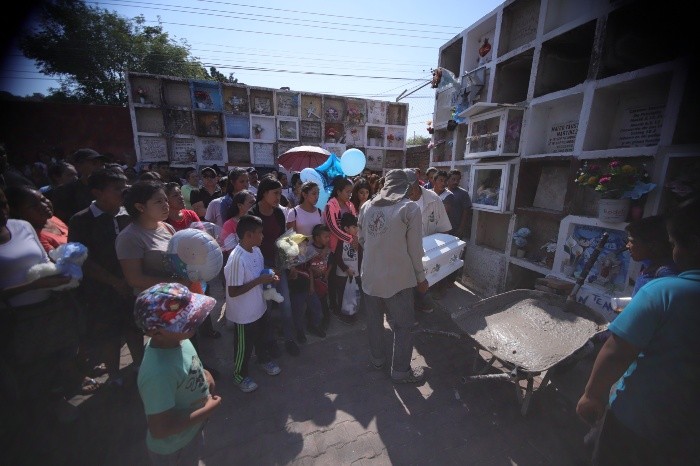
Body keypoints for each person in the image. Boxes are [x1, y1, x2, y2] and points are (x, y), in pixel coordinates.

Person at [576, 196, 700, 465]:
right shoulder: (654, 275)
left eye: (674, 243)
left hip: (640, 417)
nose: (628, 246)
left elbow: (617, 352)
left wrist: (592, 395)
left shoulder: (665, 288)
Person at [68, 168, 143, 388]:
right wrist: (114, 282)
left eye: (125, 186)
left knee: (134, 327)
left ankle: (140, 367)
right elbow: (83, 259)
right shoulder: (81, 220)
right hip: (100, 290)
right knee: (109, 334)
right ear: (97, 193)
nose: (124, 191)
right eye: (117, 189)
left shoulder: (128, 215)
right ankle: (114, 375)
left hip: (131, 284)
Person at [134, 282, 220, 464]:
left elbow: (187, 365)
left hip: (191, 433)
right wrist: (207, 410)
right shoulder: (158, 373)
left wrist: (204, 374)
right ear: (156, 333)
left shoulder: (178, 340)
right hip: (174, 448)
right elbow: (160, 429)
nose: (193, 321)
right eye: (184, 322)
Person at [358, 169, 428, 384]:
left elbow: (362, 239)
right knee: (403, 326)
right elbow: (415, 249)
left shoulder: (367, 206)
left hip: (370, 278)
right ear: (407, 186)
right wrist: (421, 278)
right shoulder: (409, 208)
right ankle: (400, 372)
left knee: (374, 323)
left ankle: (377, 360)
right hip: (398, 280)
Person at [223, 215, 282, 393]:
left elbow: (260, 273)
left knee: (261, 338)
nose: (263, 236)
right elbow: (233, 291)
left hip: (260, 307)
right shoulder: (236, 259)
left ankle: (263, 360)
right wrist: (258, 281)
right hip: (244, 315)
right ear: (248, 235)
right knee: (244, 347)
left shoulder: (256, 250)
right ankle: (240, 375)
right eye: (260, 233)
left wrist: (270, 276)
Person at [249, 177, 300, 356]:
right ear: (264, 193)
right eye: (275, 193)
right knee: (267, 307)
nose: (279, 197)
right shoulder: (253, 214)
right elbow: (251, 245)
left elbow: (284, 239)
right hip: (260, 267)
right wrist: (266, 270)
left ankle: (289, 339)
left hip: (279, 264)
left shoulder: (279, 213)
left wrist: (290, 264)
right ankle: (269, 341)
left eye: (280, 193)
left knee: (285, 304)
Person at [406, 168, 452, 312]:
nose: (407, 193)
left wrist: (437, 254)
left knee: (424, 283)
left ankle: (421, 303)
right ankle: (408, 309)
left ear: (416, 184)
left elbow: (444, 228)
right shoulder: (399, 200)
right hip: (406, 252)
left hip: (427, 253)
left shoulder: (434, 199)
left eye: (409, 189)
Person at [288, 223, 331, 337]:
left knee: (317, 308)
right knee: (298, 312)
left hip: (308, 289)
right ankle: (299, 332)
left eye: (305, 245)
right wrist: (292, 270)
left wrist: (311, 286)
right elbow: (291, 278)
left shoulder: (306, 259)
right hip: (297, 291)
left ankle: (314, 326)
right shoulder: (290, 263)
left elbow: (309, 271)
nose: (305, 247)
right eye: (301, 245)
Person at [323, 176, 357, 315]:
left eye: (351, 192)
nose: (350, 194)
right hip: (334, 247)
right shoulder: (330, 206)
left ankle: (347, 304)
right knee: (333, 278)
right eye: (347, 192)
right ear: (338, 191)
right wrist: (350, 239)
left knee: (346, 276)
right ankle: (334, 305)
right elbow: (333, 227)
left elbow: (355, 224)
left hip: (348, 248)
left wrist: (354, 239)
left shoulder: (350, 205)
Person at [5, 185, 69, 253]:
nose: (44, 205)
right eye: (34, 205)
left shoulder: (52, 219)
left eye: (43, 199)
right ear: (19, 212)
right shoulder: (34, 238)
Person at [625, 215, 677, 296]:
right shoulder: (649, 262)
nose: (627, 245)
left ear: (652, 245)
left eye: (632, 241)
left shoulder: (665, 276)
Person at [51, 148, 107, 223]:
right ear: (78, 166)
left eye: (102, 164)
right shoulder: (64, 191)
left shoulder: (109, 190)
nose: (100, 167)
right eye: (94, 163)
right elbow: (61, 221)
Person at [332, 212, 363, 325]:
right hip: (342, 275)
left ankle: (352, 314)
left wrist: (359, 271)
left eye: (357, 227)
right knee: (342, 296)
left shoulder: (357, 240)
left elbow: (360, 256)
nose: (356, 229)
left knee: (353, 295)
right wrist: (346, 269)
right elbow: (337, 257)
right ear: (346, 228)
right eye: (354, 227)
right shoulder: (341, 241)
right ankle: (343, 315)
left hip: (355, 274)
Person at [446, 169, 472, 239]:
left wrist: (461, 228)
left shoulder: (463, 193)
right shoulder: (442, 191)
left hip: (456, 229)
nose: (456, 182)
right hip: (443, 228)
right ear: (448, 179)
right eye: (453, 179)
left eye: (458, 180)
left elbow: (466, 212)